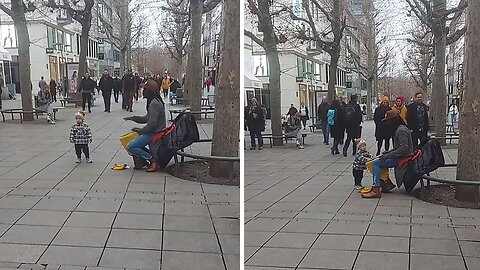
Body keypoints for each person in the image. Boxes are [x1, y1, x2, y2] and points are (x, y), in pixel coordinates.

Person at [362, 110, 413, 198]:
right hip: (401, 156)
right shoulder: (401, 128)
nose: (387, 124)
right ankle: (385, 184)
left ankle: (376, 189)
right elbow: (400, 147)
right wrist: (389, 152)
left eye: (388, 121)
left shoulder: (401, 130)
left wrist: (388, 155)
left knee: (376, 163)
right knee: (379, 160)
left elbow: (403, 148)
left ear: (393, 121)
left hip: (403, 158)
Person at [124, 79, 166, 172]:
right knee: (135, 143)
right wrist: (134, 118)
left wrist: (140, 130)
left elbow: (152, 123)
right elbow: (147, 118)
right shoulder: (153, 101)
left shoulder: (154, 103)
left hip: (155, 133)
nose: (143, 91)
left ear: (149, 91)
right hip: (153, 131)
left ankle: (153, 160)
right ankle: (147, 159)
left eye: (145, 89)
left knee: (131, 146)